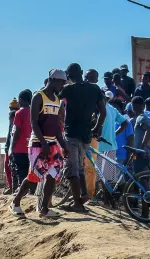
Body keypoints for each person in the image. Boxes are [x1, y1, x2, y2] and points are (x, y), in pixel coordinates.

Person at [11, 69, 68, 219]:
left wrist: (63, 145)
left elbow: (56, 127)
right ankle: (16, 202)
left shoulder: (56, 100)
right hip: (37, 143)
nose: (62, 86)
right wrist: (43, 143)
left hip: (52, 143)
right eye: (62, 83)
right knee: (34, 177)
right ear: (54, 80)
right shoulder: (38, 97)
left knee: (52, 173)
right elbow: (34, 123)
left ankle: (44, 208)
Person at [60, 63, 105, 210]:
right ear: (81, 72)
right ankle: (83, 194)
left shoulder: (69, 89)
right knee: (79, 167)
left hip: (72, 133)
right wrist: (96, 128)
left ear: (68, 76)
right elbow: (102, 112)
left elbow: (53, 95)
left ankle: (78, 204)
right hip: (86, 135)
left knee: (72, 168)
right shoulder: (94, 88)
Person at [94, 91, 129, 198]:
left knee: (101, 175)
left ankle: (105, 199)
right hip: (110, 145)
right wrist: (114, 134)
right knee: (104, 175)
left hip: (101, 145)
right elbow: (125, 122)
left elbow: (125, 123)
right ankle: (103, 198)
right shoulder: (111, 109)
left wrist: (114, 133)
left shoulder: (100, 108)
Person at [7, 90, 33, 197]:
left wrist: (12, 149)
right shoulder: (33, 112)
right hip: (31, 147)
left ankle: (21, 193)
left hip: (20, 148)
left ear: (21, 100)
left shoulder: (19, 113)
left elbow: (16, 133)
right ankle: (30, 191)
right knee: (29, 170)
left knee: (20, 171)